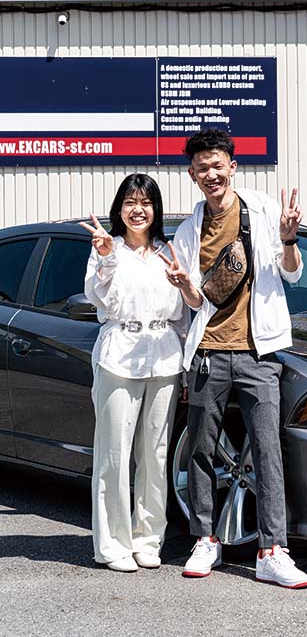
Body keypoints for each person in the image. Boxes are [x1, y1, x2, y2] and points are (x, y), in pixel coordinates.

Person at [168, 128, 307, 588]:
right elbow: (194, 303)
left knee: (267, 452)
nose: (211, 173)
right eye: (201, 167)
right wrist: (187, 289)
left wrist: (289, 240)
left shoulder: (263, 210)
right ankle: (206, 538)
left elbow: (289, 274)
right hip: (208, 353)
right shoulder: (190, 229)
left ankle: (273, 550)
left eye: (217, 164)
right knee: (201, 451)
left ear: (232, 165)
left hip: (258, 353)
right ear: (192, 175)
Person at [81, 173, 197, 572]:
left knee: (156, 454)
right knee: (114, 455)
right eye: (130, 202)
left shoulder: (168, 250)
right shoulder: (106, 249)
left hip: (163, 356)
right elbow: (103, 300)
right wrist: (107, 257)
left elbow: (182, 315)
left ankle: (149, 538)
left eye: (145, 202)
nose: (138, 209)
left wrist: (183, 367)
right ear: (119, 208)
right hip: (119, 355)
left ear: (155, 209)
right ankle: (113, 544)